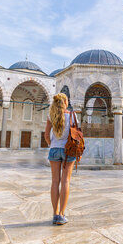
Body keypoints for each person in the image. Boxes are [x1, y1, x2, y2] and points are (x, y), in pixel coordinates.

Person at [44, 93, 78, 225]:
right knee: (65, 181)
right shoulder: (72, 115)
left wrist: (51, 144)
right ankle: (62, 215)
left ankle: (55, 213)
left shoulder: (50, 115)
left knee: (55, 181)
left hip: (54, 150)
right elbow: (76, 134)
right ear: (64, 102)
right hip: (68, 150)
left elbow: (47, 134)